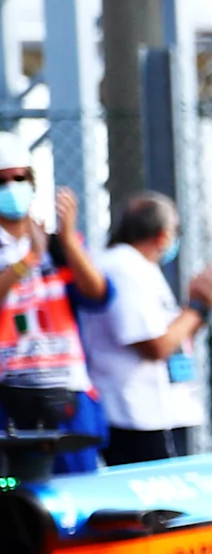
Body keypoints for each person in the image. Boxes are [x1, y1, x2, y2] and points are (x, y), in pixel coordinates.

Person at [83, 195, 212, 464]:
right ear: (163, 235)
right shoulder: (123, 268)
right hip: (137, 416)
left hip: (159, 412)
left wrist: (199, 306)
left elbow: (174, 339)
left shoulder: (141, 268)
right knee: (153, 504)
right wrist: (197, 309)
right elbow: (154, 346)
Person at [0, 137, 116, 479]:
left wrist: (65, 241)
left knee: (79, 488)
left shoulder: (58, 244)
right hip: (9, 394)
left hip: (68, 391)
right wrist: (29, 260)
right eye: (2, 181)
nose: (12, 188)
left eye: (19, 178)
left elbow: (99, 294)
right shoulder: (29, 251)